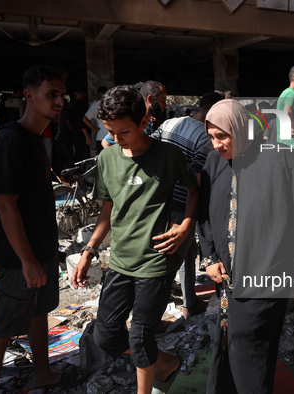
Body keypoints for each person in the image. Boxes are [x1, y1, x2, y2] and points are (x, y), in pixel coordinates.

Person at [71, 85, 199, 394]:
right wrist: (88, 252)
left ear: (144, 122)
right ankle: (165, 363)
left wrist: (185, 226)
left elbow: (194, 189)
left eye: (124, 131)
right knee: (106, 335)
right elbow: (106, 212)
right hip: (120, 261)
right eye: (111, 132)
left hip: (156, 260)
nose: (116, 139)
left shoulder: (168, 155)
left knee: (141, 336)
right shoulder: (108, 159)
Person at [198, 99, 294, 393]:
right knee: (230, 338)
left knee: (250, 340)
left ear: (241, 129)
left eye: (223, 136)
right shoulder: (215, 162)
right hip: (228, 274)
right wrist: (209, 257)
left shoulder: (283, 158)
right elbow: (204, 215)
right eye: (212, 137)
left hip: (269, 268)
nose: (216, 144)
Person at [0, 65, 80, 393]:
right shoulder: (10, 139)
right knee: (4, 327)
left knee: (39, 313)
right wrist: (26, 260)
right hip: (19, 257)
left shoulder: (36, 138)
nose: (59, 101)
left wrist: (56, 176)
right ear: (29, 95)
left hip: (43, 248)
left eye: (61, 95)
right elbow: (5, 205)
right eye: (52, 94)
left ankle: (43, 373)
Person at [150, 91, 223, 319]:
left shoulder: (170, 122)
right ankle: (152, 318)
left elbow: (150, 152)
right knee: (171, 259)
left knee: (187, 253)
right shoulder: (206, 137)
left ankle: (189, 303)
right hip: (183, 205)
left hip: (159, 199)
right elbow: (198, 178)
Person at [102, 80, 167, 148]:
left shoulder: (149, 122)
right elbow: (105, 143)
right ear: (150, 99)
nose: (165, 106)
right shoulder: (134, 120)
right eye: (162, 101)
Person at [82, 86, 109, 153]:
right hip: (113, 136)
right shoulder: (113, 104)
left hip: (101, 136)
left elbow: (84, 119)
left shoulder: (96, 105)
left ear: (98, 94)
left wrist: (94, 129)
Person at [69, 85, 91, 163]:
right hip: (81, 134)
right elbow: (81, 121)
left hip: (75, 133)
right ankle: (80, 173)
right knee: (82, 156)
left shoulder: (71, 104)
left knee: (77, 154)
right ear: (85, 94)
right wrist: (87, 136)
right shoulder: (81, 105)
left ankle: (77, 172)